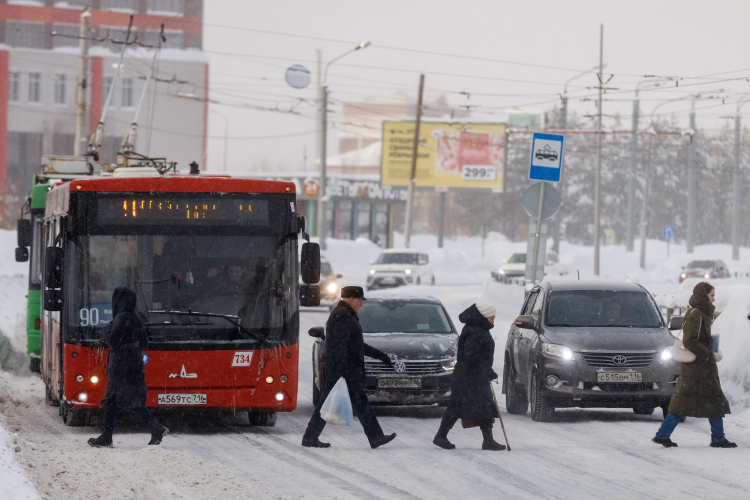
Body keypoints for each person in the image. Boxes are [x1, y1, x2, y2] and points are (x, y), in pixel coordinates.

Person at [302, 286, 397, 449]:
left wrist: (381, 356)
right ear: (351, 299)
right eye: (360, 300)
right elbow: (340, 345)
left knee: (349, 403)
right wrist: (342, 370)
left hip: (343, 369)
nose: (361, 304)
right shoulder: (343, 315)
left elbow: (356, 345)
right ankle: (375, 437)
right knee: (352, 403)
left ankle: (310, 437)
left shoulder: (344, 314)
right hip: (344, 370)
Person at [652, 281, 736, 448]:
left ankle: (664, 434)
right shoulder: (697, 313)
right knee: (709, 401)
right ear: (704, 295)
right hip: (698, 369)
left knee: (691, 402)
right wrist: (707, 355)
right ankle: (717, 438)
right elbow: (690, 341)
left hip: (699, 369)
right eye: (712, 295)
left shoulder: (700, 312)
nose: (713, 299)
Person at [88, 286, 169, 448]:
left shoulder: (121, 317)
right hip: (134, 361)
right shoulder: (137, 317)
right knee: (117, 400)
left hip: (121, 363)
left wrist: (106, 330)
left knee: (124, 399)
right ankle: (107, 436)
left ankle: (156, 428)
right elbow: (144, 342)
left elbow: (113, 341)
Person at [433, 301, 506, 451]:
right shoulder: (476, 331)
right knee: (460, 406)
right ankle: (441, 436)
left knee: (481, 406)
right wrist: (487, 369)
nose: (493, 321)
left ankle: (487, 440)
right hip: (468, 377)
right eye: (491, 317)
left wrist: (485, 371)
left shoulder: (477, 328)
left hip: (472, 376)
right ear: (483, 316)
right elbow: (470, 356)